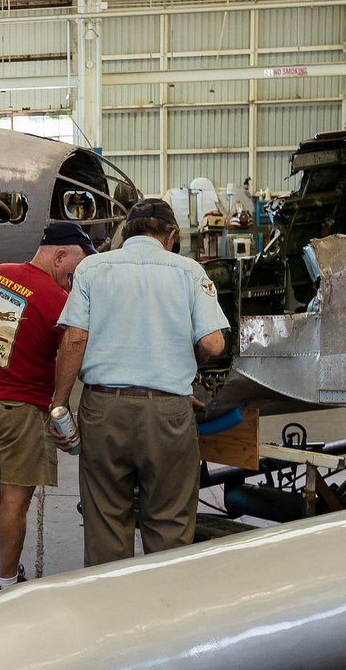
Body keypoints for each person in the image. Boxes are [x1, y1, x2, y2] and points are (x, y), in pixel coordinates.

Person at [50, 198, 229, 564]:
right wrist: (180, 374)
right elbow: (213, 343)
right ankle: (162, 611)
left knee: (105, 524)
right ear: (171, 236)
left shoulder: (91, 269)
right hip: (168, 417)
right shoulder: (190, 271)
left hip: (103, 410)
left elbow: (75, 339)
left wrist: (59, 403)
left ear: (126, 232)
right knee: (169, 526)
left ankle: (112, 613)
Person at [0, 221, 98, 591]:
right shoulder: (57, 300)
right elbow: (73, 350)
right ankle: (7, 582)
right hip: (22, 410)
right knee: (16, 499)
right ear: (59, 255)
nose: (74, 280)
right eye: (74, 270)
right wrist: (61, 406)